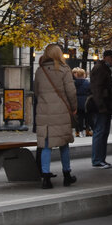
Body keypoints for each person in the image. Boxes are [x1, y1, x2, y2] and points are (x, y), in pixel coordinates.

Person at [33, 43, 77, 189]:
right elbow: (71, 91)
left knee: (46, 145)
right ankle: (67, 175)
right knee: (64, 144)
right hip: (61, 112)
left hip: (44, 112)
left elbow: (37, 92)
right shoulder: (64, 69)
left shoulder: (40, 71)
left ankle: (46, 178)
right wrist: (74, 108)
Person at [89, 50, 112, 169]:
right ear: (106, 57)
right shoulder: (100, 69)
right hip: (101, 107)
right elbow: (96, 89)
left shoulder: (103, 68)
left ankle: (100, 159)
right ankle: (97, 159)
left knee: (103, 132)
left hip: (105, 106)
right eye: (111, 58)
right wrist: (101, 106)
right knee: (100, 132)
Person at [72, 67, 92, 138]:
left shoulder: (74, 83)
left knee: (78, 118)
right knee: (87, 118)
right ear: (83, 75)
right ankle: (87, 131)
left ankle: (78, 132)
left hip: (77, 102)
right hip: (85, 102)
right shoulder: (87, 83)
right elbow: (90, 91)